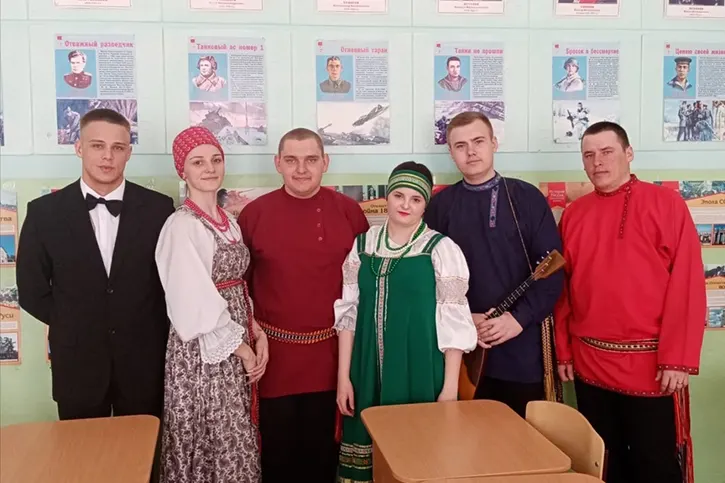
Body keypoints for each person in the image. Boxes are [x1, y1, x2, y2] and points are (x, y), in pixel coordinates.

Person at [554, 121, 706, 483]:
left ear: (629, 153)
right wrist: (564, 351)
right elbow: (563, 290)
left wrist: (677, 359)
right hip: (590, 363)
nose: (597, 162)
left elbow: (687, 284)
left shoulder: (666, 204)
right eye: (588, 155)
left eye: (607, 152)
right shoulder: (574, 214)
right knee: (603, 464)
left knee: (654, 465)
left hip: (653, 367)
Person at [16, 108, 174, 421]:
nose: (107, 156)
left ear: (129, 153)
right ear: (79, 148)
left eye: (118, 147)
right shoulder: (43, 213)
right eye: (97, 145)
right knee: (80, 451)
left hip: (143, 363)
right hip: (77, 364)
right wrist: (75, 323)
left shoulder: (159, 209)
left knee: (143, 450)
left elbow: (171, 283)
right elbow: (32, 289)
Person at [238, 127, 370, 483]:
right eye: (291, 160)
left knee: (323, 460)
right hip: (273, 363)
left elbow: (365, 288)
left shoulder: (349, 213)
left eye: (311, 159)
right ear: (277, 163)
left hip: (333, 361)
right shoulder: (253, 215)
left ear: (325, 162)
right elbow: (239, 289)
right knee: (277, 460)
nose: (301, 169)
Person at [334, 161, 478, 483]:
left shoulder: (441, 249)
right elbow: (348, 314)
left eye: (416, 199)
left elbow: (453, 324)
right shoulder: (363, 245)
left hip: (420, 368)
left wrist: (449, 390)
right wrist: (344, 377)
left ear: (425, 204)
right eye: (399, 195)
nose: (405, 205)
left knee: (419, 458)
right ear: (388, 195)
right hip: (366, 369)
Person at [424, 111, 564, 417]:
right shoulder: (440, 207)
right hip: (460, 351)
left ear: (494, 143)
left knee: (521, 439)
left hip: (520, 351)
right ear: (451, 153)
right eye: (460, 146)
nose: (471, 151)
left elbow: (553, 271)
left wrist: (517, 319)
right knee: (462, 438)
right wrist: (464, 318)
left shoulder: (526, 198)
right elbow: (427, 278)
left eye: (478, 141)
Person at [154, 127, 266, 482]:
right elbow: (191, 300)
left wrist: (256, 330)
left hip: (234, 339)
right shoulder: (181, 226)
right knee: (210, 430)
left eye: (216, 160)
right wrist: (242, 349)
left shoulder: (228, 221)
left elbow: (237, 284)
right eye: (198, 162)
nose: (209, 168)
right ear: (182, 170)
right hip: (203, 353)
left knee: (234, 429)